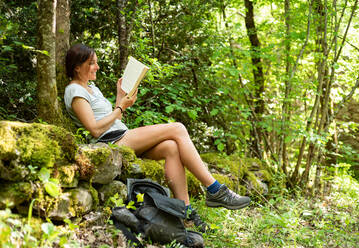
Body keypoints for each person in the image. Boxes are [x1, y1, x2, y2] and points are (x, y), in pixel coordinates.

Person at [64, 44, 251, 231]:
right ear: (77, 67)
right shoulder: (74, 91)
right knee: (177, 128)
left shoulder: (92, 88)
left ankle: (185, 212)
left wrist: (121, 99)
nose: (97, 67)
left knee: (171, 147)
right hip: (111, 141)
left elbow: (113, 118)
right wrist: (120, 107)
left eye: (96, 62)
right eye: (92, 63)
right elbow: (95, 130)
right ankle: (215, 190)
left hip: (120, 134)